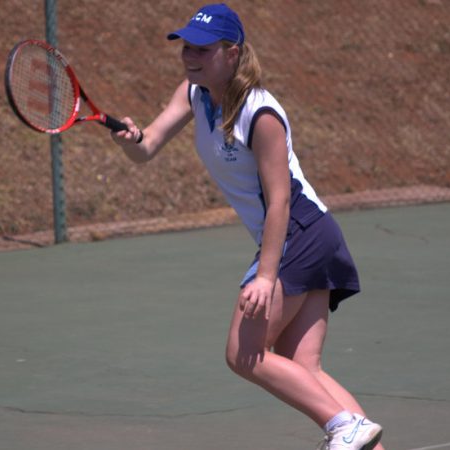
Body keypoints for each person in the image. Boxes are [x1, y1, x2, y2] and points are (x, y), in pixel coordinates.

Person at [110, 3, 384, 450]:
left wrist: (265, 276)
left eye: (203, 49)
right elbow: (147, 147)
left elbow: (279, 201)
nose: (190, 56)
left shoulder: (261, 115)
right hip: (307, 235)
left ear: (232, 53)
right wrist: (130, 140)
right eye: (186, 47)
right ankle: (359, 435)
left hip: (301, 232)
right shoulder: (194, 94)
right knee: (304, 369)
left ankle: (343, 427)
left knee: (243, 353)